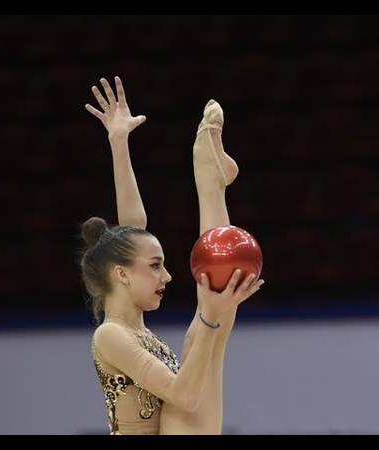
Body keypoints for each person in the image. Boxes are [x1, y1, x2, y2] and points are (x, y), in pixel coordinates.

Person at [79, 76, 264, 435]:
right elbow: (186, 396)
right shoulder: (110, 335)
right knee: (207, 329)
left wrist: (119, 142)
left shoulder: (134, 328)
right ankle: (209, 183)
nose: (167, 277)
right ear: (121, 274)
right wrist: (212, 316)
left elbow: (133, 229)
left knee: (206, 330)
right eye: (156, 266)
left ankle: (210, 182)